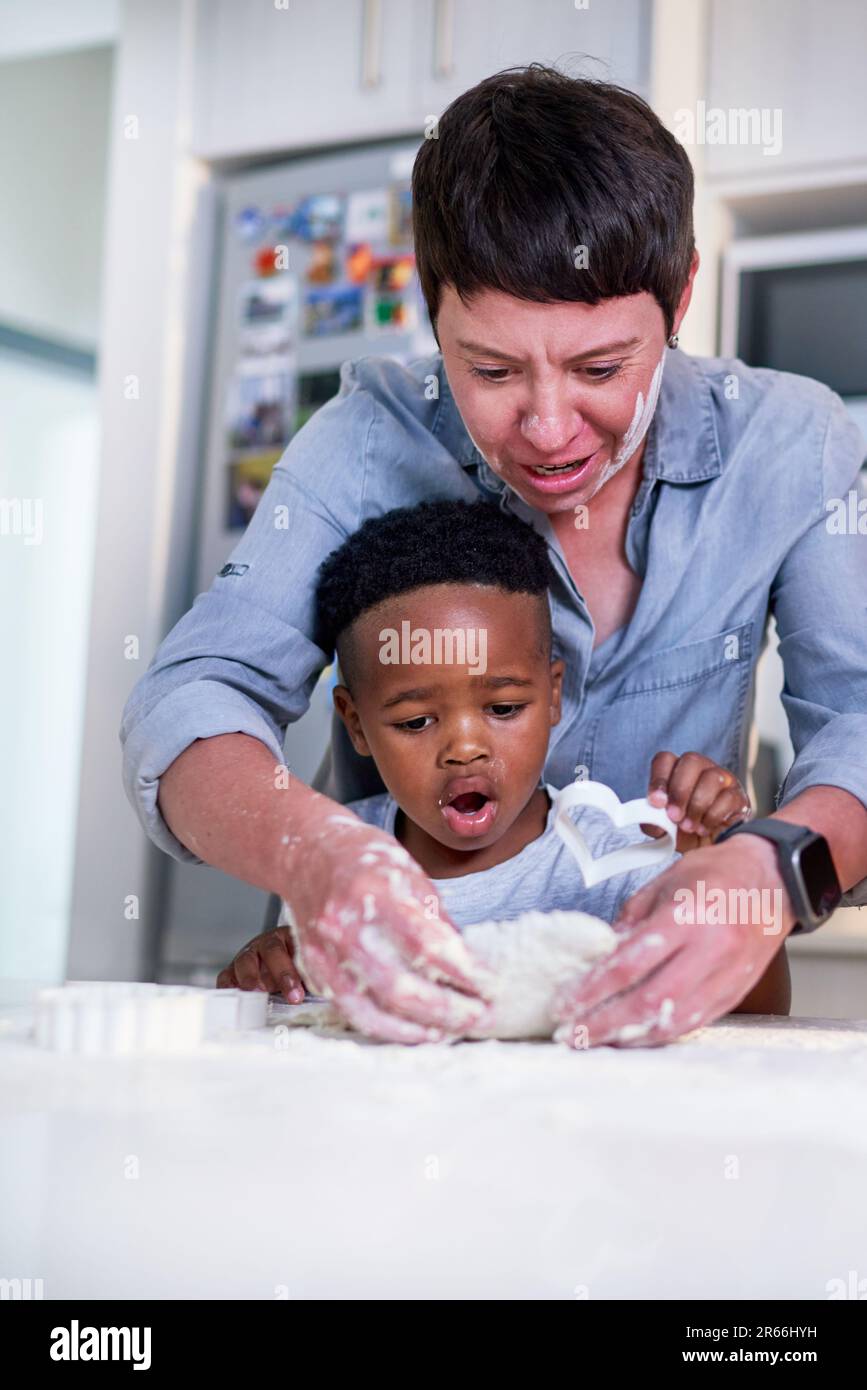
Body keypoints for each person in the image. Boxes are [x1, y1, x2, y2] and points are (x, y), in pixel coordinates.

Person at [121, 66, 867, 1047]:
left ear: (682, 294)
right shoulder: (361, 442)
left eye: (601, 367)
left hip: (662, 1044)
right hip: (393, 1030)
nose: (550, 428)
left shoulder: (791, 442)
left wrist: (772, 868)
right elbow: (190, 696)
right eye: (492, 370)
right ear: (433, 311)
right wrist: (315, 856)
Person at [217, 499, 788, 1035]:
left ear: (554, 694)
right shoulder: (336, 861)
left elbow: (760, 1010)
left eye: (504, 708)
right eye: (416, 721)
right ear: (357, 724)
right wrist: (268, 973)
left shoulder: (616, 856)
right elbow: (300, 1035)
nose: (465, 747)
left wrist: (714, 862)